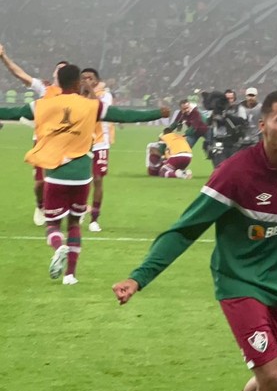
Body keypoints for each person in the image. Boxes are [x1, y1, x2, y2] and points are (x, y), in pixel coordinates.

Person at [112, 91, 277, 391]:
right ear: (263, 124)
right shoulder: (235, 173)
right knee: (271, 376)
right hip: (239, 285)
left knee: (276, 376)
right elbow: (185, 229)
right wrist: (138, 277)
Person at [0, 64, 167, 285]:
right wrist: (157, 113)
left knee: (52, 225)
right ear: (78, 83)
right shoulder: (92, 106)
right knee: (75, 224)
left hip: (56, 173)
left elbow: (10, 112)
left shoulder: (42, 104)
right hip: (81, 176)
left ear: (58, 82)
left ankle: (59, 247)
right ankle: (70, 275)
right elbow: (124, 115)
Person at [0, 43, 66, 226]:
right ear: (54, 74)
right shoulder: (45, 89)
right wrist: (4, 57)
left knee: (64, 181)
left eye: (64, 69)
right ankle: (40, 205)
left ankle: (68, 210)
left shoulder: (75, 94)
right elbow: (20, 74)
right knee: (40, 183)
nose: (60, 71)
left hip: (66, 142)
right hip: (43, 142)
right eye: (58, 69)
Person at [80, 68, 113, 232]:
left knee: (98, 179)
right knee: (80, 179)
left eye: (90, 78)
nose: (86, 80)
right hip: (80, 143)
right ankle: (79, 209)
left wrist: (90, 91)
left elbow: (100, 111)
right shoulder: (76, 96)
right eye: (84, 78)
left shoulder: (105, 95)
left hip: (100, 142)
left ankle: (94, 218)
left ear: (97, 81)